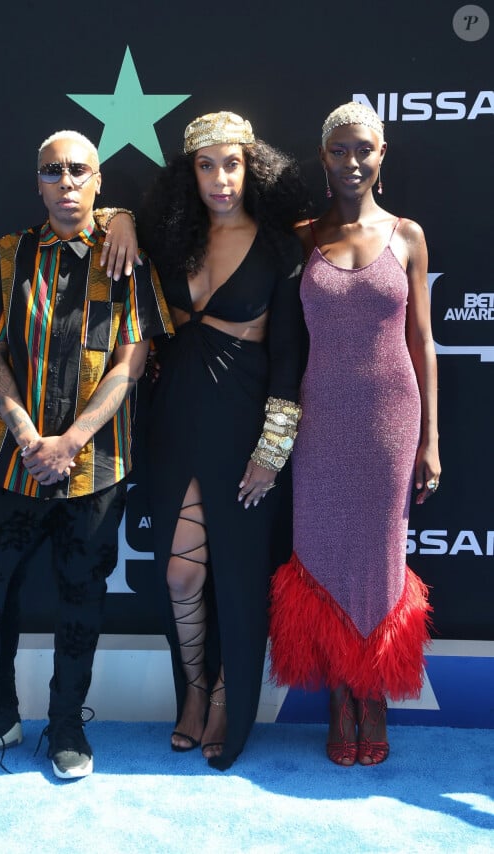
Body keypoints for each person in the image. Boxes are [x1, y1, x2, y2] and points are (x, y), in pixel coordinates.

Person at [0, 130, 172, 779]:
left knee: (81, 599)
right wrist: (29, 437)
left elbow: (132, 362)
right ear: (38, 182)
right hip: (13, 464)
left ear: (98, 182)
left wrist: (72, 442)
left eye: (79, 171)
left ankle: (66, 727)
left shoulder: (129, 262)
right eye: (53, 171)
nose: (66, 182)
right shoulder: (9, 255)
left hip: (96, 469)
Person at [134, 111, 309, 771]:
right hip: (173, 423)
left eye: (231, 163)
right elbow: (108, 227)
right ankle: (196, 686)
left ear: (251, 166)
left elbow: (289, 362)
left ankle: (229, 705)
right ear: (190, 173)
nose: (221, 178)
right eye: (206, 165)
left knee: (239, 581)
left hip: (246, 432)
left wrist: (272, 452)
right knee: (179, 575)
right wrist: (122, 220)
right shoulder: (167, 239)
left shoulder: (278, 250)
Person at [269, 102, 441, 766]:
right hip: (320, 426)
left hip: (390, 424)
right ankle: (341, 698)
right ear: (323, 158)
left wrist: (429, 441)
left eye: (363, 149)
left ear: (382, 154)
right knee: (323, 557)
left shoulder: (408, 236)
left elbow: (423, 342)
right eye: (339, 151)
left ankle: (373, 696)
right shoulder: (303, 237)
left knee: (378, 562)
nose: (352, 162)